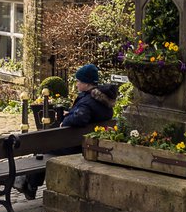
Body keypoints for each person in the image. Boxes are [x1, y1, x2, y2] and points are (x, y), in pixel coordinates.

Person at [16, 64, 117, 200]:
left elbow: (81, 118)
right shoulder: (102, 100)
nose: (76, 83)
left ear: (87, 84)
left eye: (79, 81)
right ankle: (29, 184)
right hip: (89, 143)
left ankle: (30, 186)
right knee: (44, 146)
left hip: (76, 146)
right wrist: (71, 113)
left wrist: (66, 120)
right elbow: (86, 114)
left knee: (42, 147)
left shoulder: (87, 101)